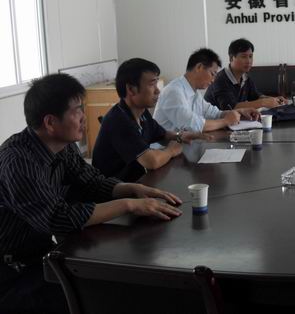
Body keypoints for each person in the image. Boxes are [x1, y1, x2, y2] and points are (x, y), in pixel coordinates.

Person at [0, 73, 182, 314]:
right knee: (94, 298)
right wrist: (128, 205)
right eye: (77, 111)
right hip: (12, 268)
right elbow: (56, 217)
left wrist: (132, 189)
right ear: (50, 122)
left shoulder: (62, 146)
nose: (83, 117)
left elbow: (91, 181)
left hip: (40, 253)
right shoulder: (18, 161)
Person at [93, 58, 206, 182]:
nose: (157, 90)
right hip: (114, 188)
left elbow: (162, 134)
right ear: (131, 89)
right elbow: (151, 161)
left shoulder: (141, 112)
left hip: (136, 181)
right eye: (152, 84)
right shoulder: (118, 120)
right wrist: (171, 151)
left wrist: (180, 135)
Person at [154, 48, 260, 133]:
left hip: (185, 147)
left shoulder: (195, 93)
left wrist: (239, 112)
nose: (213, 80)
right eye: (212, 74)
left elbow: (214, 113)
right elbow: (192, 125)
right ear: (199, 67)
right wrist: (225, 121)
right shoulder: (174, 91)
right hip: (165, 150)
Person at [204, 38, 287, 110]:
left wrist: (274, 99)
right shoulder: (220, 80)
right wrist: (263, 103)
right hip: (213, 122)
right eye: (244, 56)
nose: (248, 61)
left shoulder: (245, 77)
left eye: (250, 56)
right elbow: (230, 107)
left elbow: (256, 96)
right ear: (231, 58)